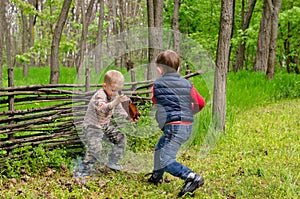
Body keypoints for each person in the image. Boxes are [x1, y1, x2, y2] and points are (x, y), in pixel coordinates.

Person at [148, 50, 206, 197]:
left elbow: (157, 103)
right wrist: (189, 112)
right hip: (187, 126)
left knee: (165, 159)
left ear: (159, 69)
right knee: (160, 148)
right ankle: (156, 177)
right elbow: (200, 102)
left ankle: (191, 176)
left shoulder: (157, 85)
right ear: (179, 68)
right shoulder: (187, 84)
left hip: (174, 126)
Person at [74, 70, 133, 177]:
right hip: (92, 126)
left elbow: (119, 109)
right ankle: (83, 169)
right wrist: (116, 101)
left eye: (118, 91)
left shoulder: (114, 95)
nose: (115, 93)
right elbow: (102, 109)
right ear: (104, 85)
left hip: (104, 125)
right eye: (113, 90)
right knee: (96, 148)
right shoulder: (100, 95)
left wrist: (127, 117)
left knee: (121, 138)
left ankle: (112, 162)